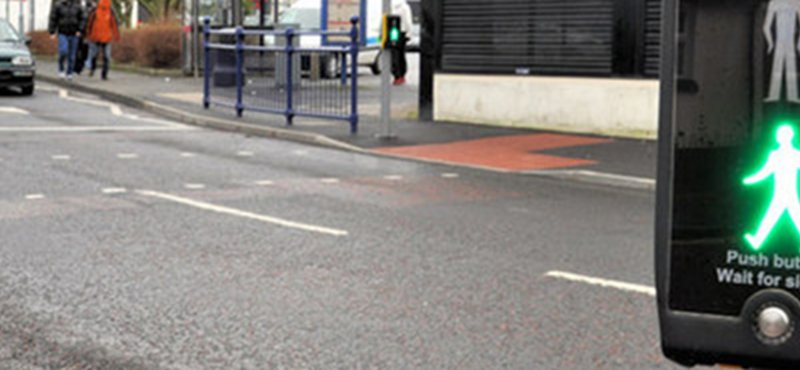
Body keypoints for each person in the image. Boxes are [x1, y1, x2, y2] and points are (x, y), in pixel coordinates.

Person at [48, 0, 86, 80]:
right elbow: (53, 18)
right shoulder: (58, 6)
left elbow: (82, 19)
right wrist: (52, 31)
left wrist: (80, 30)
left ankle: (70, 72)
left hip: (74, 33)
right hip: (63, 32)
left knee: (72, 55)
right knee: (63, 51)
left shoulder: (77, 6)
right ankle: (61, 69)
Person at [83, 0, 119, 80]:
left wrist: (87, 35)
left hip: (98, 37)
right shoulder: (106, 11)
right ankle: (102, 74)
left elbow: (89, 23)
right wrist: (116, 36)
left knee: (100, 55)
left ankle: (97, 71)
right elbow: (114, 24)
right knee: (105, 56)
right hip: (102, 37)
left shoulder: (97, 10)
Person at [390, 0, 413, 85]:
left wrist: (381, 34)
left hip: (392, 31)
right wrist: (409, 33)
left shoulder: (390, 6)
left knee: (394, 53)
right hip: (402, 32)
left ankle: (397, 75)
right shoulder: (405, 7)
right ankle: (401, 75)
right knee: (401, 54)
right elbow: (408, 21)